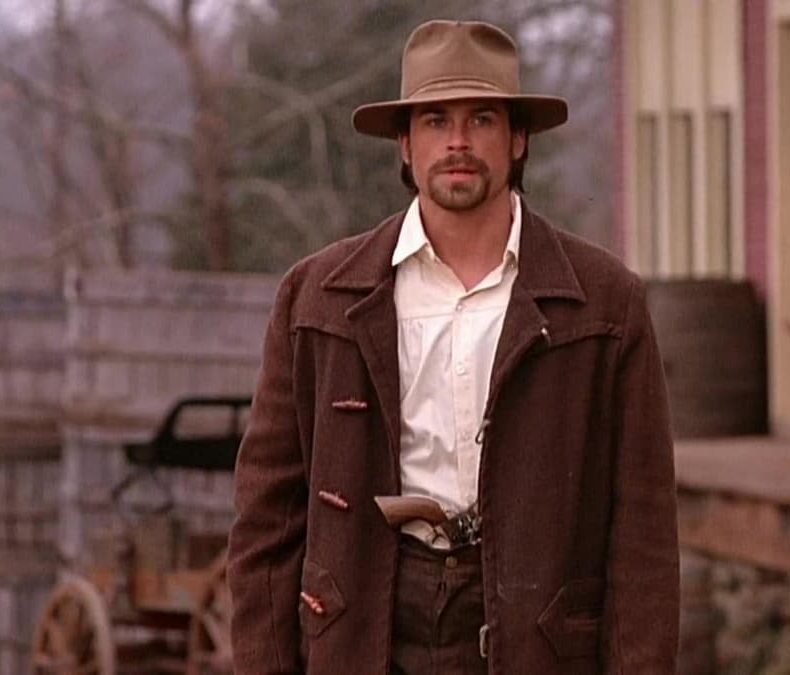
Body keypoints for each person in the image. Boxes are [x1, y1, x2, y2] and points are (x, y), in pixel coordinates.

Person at [228, 19, 679, 675]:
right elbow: (267, 520)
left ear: (518, 139)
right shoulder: (317, 298)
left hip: (536, 629)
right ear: (405, 144)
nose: (458, 142)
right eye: (436, 120)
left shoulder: (604, 303)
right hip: (365, 621)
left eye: (482, 119)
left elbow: (644, 532)